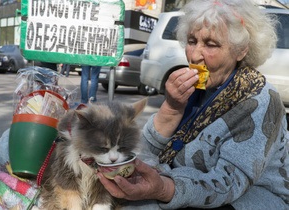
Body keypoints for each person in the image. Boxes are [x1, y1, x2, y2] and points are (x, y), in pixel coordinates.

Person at [97, 0, 289, 209]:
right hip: (181, 183)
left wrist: (163, 188)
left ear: (241, 51)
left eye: (211, 44)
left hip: (250, 197)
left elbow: (228, 183)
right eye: (191, 41)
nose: (195, 56)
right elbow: (145, 149)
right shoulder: (194, 90)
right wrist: (171, 108)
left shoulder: (259, 100)